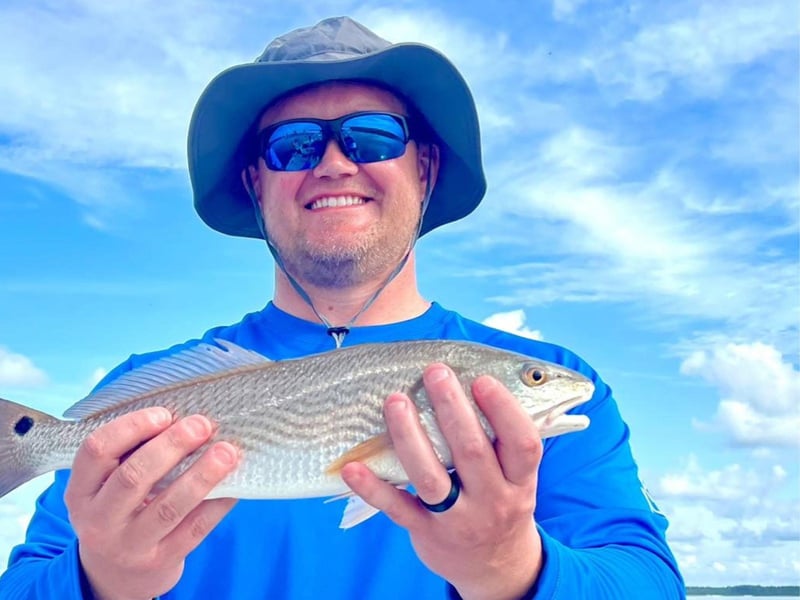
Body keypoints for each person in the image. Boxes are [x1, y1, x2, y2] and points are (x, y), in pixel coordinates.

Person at [0, 16, 685, 600]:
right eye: (293, 145)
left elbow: (651, 581)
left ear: (425, 168)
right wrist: (100, 580)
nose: (333, 163)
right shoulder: (143, 392)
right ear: (254, 181)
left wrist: (512, 567)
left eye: (373, 137)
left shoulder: (555, 377)